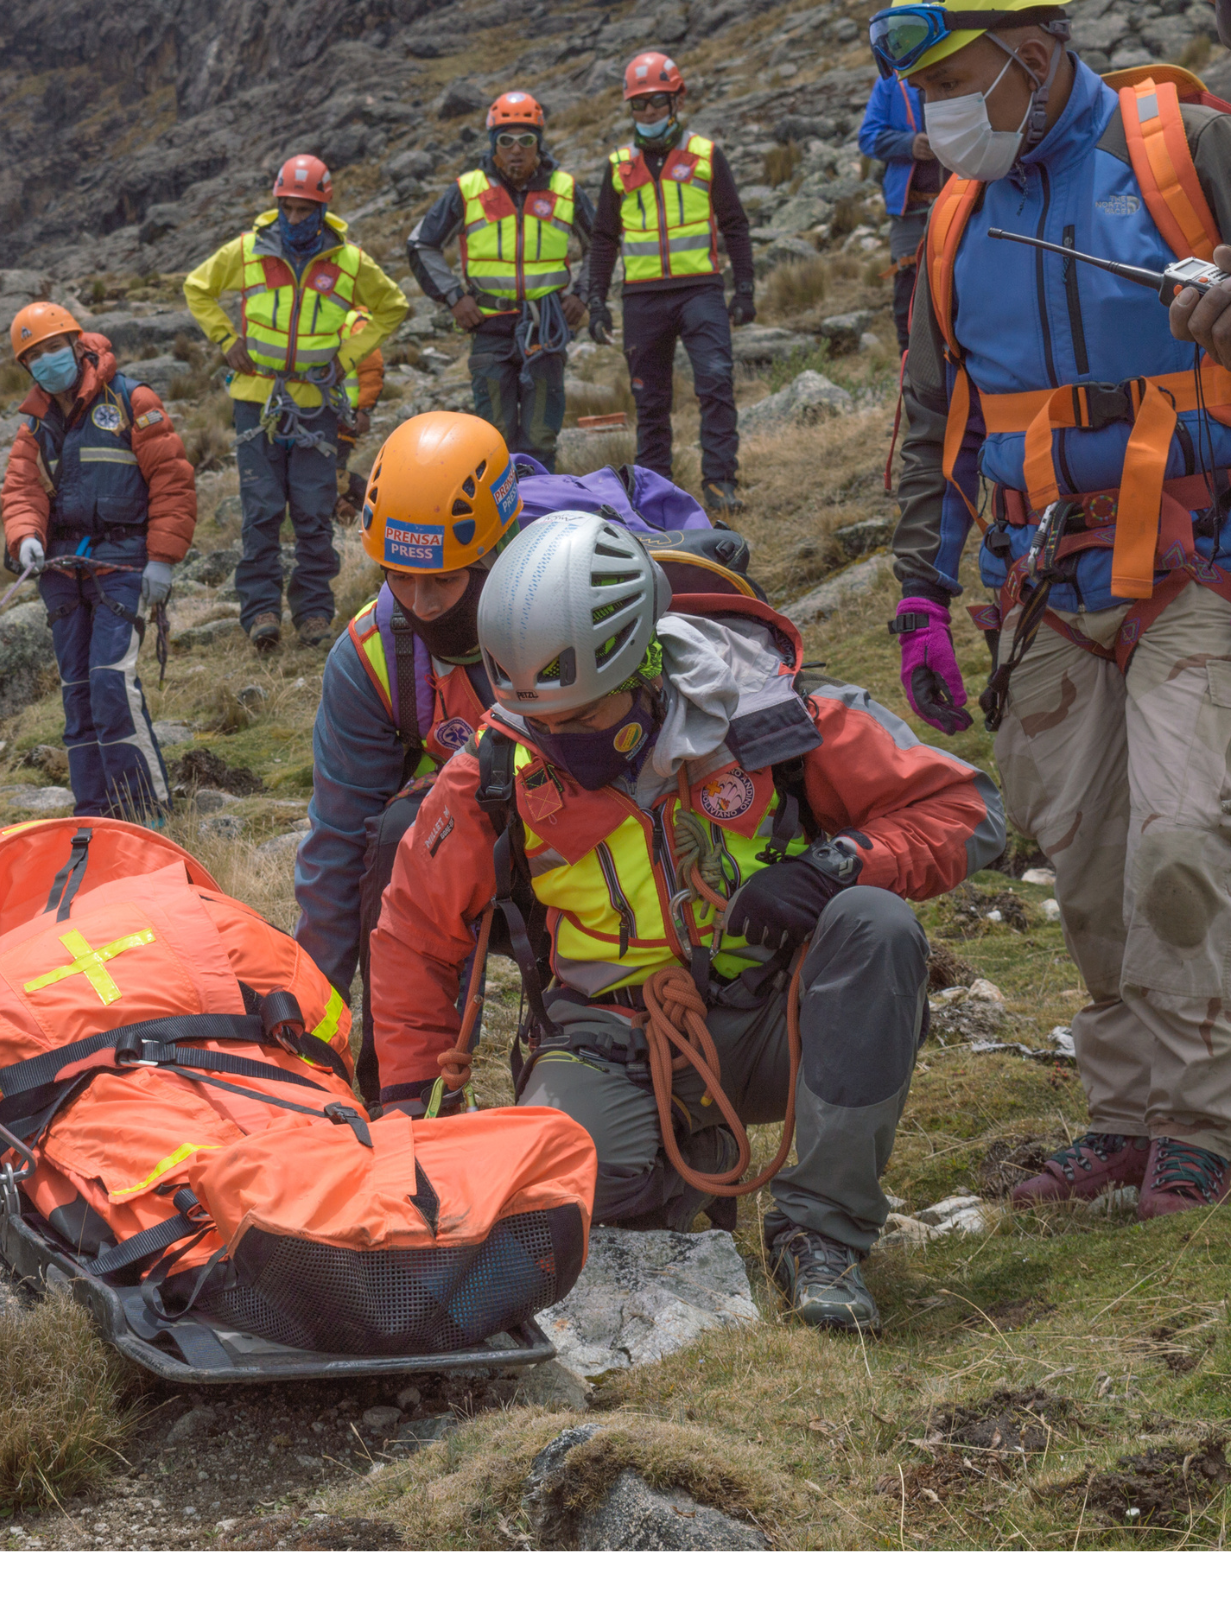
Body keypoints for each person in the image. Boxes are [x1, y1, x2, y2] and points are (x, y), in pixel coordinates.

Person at [370, 511, 1004, 1329]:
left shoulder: (775, 716)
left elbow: (968, 807)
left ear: (643, 665)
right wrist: (404, 1112)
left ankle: (820, 1236)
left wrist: (835, 867)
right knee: (552, 1199)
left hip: (777, 1018)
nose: (561, 740)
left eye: (584, 717)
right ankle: (680, 1167)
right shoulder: (498, 767)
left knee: (874, 927)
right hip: (607, 1039)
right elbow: (414, 936)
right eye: (543, 722)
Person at [880, 0, 1231, 1218]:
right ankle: (1125, 1117)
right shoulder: (952, 220)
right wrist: (918, 594)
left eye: (949, 82)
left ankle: (1200, 1123)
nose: (934, 114)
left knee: (1175, 845)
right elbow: (934, 423)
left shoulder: (1186, 150)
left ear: (1029, 57)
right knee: (1082, 866)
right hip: (1042, 588)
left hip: (1202, 567)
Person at [296, 412, 512, 1106]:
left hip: (588, 837)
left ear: (494, 555)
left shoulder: (569, 614)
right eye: (400, 577)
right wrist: (310, 1033)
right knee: (393, 836)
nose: (420, 605)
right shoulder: (370, 657)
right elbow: (338, 843)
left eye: (443, 581)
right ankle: (401, 1092)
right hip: (469, 841)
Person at [184, 154, 410, 651]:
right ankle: (261, 612)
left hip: (316, 403)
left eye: (304, 209)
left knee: (312, 510)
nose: (293, 217)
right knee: (262, 509)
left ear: (323, 208)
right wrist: (226, 339)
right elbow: (197, 287)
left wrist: (346, 359)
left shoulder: (349, 262)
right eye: (286, 207)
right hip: (256, 400)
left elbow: (393, 306)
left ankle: (313, 613)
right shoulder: (248, 251)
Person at [1, 301, 194, 820]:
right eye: (33, 356)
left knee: (111, 682)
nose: (45, 361)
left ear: (75, 344)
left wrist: (162, 559)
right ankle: (95, 816)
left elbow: (172, 481)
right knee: (78, 694)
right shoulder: (35, 423)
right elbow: (21, 489)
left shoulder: (132, 400)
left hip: (124, 565)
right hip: (62, 572)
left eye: (52, 348)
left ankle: (145, 813)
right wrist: (25, 537)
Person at [583, 52, 756, 516]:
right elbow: (603, 238)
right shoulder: (618, 165)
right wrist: (596, 302)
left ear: (677, 100)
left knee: (715, 383)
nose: (648, 112)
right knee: (650, 400)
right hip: (642, 299)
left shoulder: (705, 154)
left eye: (657, 101)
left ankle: (720, 482)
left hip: (700, 290)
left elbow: (735, 224)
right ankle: (653, 494)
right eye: (638, 104)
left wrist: (744, 289)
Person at [406, 90, 590, 471]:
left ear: (539, 142)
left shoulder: (565, 189)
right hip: (489, 328)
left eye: (526, 140)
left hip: (546, 327)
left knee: (540, 437)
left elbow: (602, 243)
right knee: (493, 438)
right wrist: (455, 298)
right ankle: (500, 509)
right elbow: (421, 243)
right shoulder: (467, 190)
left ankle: (537, 505)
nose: (516, 150)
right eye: (506, 140)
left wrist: (583, 294)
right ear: (493, 144)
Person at [857, 69, 942, 351]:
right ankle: (910, 366)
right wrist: (908, 144)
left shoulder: (956, 65)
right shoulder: (890, 83)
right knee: (908, 297)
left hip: (962, 203)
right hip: (910, 211)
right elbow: (868, 137)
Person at [332, 306, 387, 521]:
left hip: (346, 414)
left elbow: (371, 369)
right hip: (322, 410)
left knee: (334, 474)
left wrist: (365, 409)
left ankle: (380, 510)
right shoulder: (324, 317)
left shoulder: (357, 322)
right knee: (323, 473)